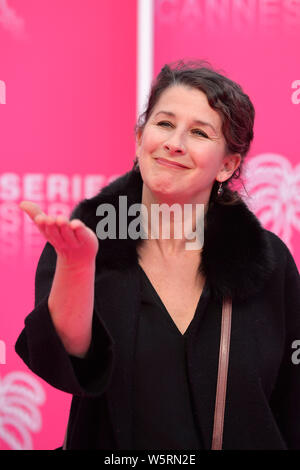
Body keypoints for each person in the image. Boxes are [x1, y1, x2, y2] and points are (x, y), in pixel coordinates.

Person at [16, 59, 300, 450]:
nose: (175, 143)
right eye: (164, 124)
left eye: (199, 132)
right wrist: (78, 268)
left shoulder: (270, 263)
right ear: (139, 138)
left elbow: (292, 401)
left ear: (228, 165)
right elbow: (66, 363)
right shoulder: (81, 246)